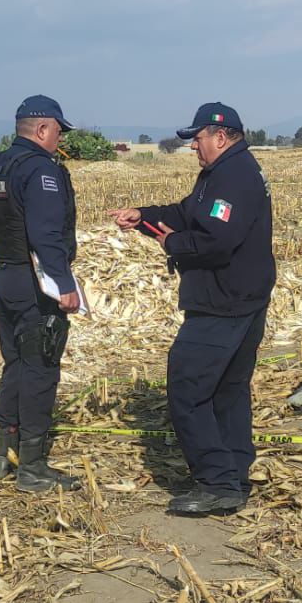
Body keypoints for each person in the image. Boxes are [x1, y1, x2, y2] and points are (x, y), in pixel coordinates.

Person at [111, 103, 275, 517]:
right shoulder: (221, 173)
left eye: (197, 139)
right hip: (240, 298)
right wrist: (144, 217)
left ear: (220, 136)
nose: (192, 147)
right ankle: (233, 476)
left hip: (223, 303)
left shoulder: (234, 177)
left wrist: (172, 244)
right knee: (227, 391)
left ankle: (216, 482)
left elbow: (216, 241)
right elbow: (187, 213)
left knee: (188, 388)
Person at [0, 96, 82, 492]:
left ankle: (5, 454)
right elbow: (46, 233)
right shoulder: (40, 169)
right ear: (42, 129)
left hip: (6, 277)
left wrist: (8, 244)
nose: (60, 138)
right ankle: (33, 467)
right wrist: (63, 284)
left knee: (14, 364)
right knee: (40, 368)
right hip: (35, 284)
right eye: (58, 130)